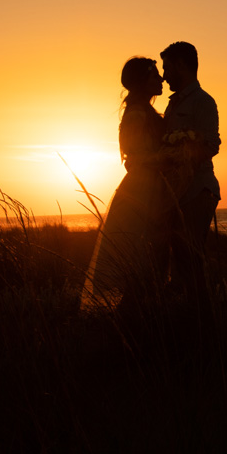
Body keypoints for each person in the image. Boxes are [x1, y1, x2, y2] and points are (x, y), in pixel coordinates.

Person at [82, 57, 169, 307]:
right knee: (137, 255)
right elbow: (136, 157)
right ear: (142, 82)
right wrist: (171, 154)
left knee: (149, 256)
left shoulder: (146, 113)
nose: (161, 79)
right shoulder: (136, 116)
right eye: (154, 75)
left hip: (151, 187)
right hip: (141, 191)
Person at [159, 41, 220, 304]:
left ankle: (203, 320)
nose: (164, 75)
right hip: (177, 193)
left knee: (191, 257)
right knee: (179, 259)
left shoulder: (203, 102)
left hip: (197, 190)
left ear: (182, 66)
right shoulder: (173, 103)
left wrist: (181, 155)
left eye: (168, 67)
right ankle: (187, 318)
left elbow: (211, 145)